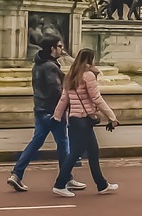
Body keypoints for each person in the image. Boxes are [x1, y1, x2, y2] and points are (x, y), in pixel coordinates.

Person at [8, 38, 81, 192]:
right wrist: (65, 106)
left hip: (40, 109)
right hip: (53, 111)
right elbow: (56, 90)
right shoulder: (50, 67)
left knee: (36, 142)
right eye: (60, 46)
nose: (62, 49)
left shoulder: (37, 65)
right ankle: (66, 178)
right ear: (52, 48)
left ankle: (16, 174)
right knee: (63, 143)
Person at [50, 48, 118, 197]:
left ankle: (102, 185)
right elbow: (96, 98)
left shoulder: (70, 76)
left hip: (75, 119)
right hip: (84, 119)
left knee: (93, 152)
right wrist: (111, 116)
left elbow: (64, 99)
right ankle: (59, 184)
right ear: (90, 59)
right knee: (75, 153)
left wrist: (56, 116)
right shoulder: (88, 76)